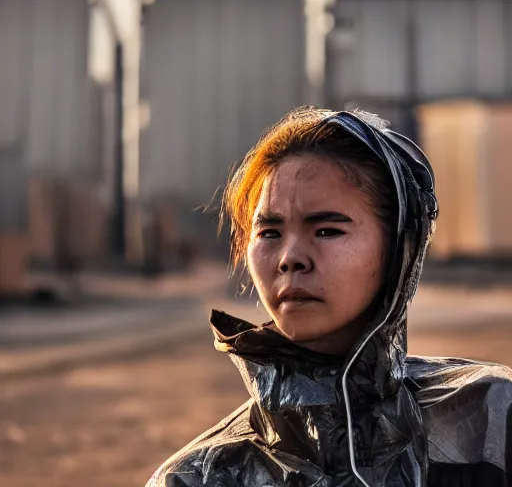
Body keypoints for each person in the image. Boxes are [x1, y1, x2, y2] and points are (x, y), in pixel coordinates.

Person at [146, 106, 512, 486]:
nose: (290, 259)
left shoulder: (490, 420)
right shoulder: (200, 477)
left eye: (326, 231)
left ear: (400, 248)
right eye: (269, 234)